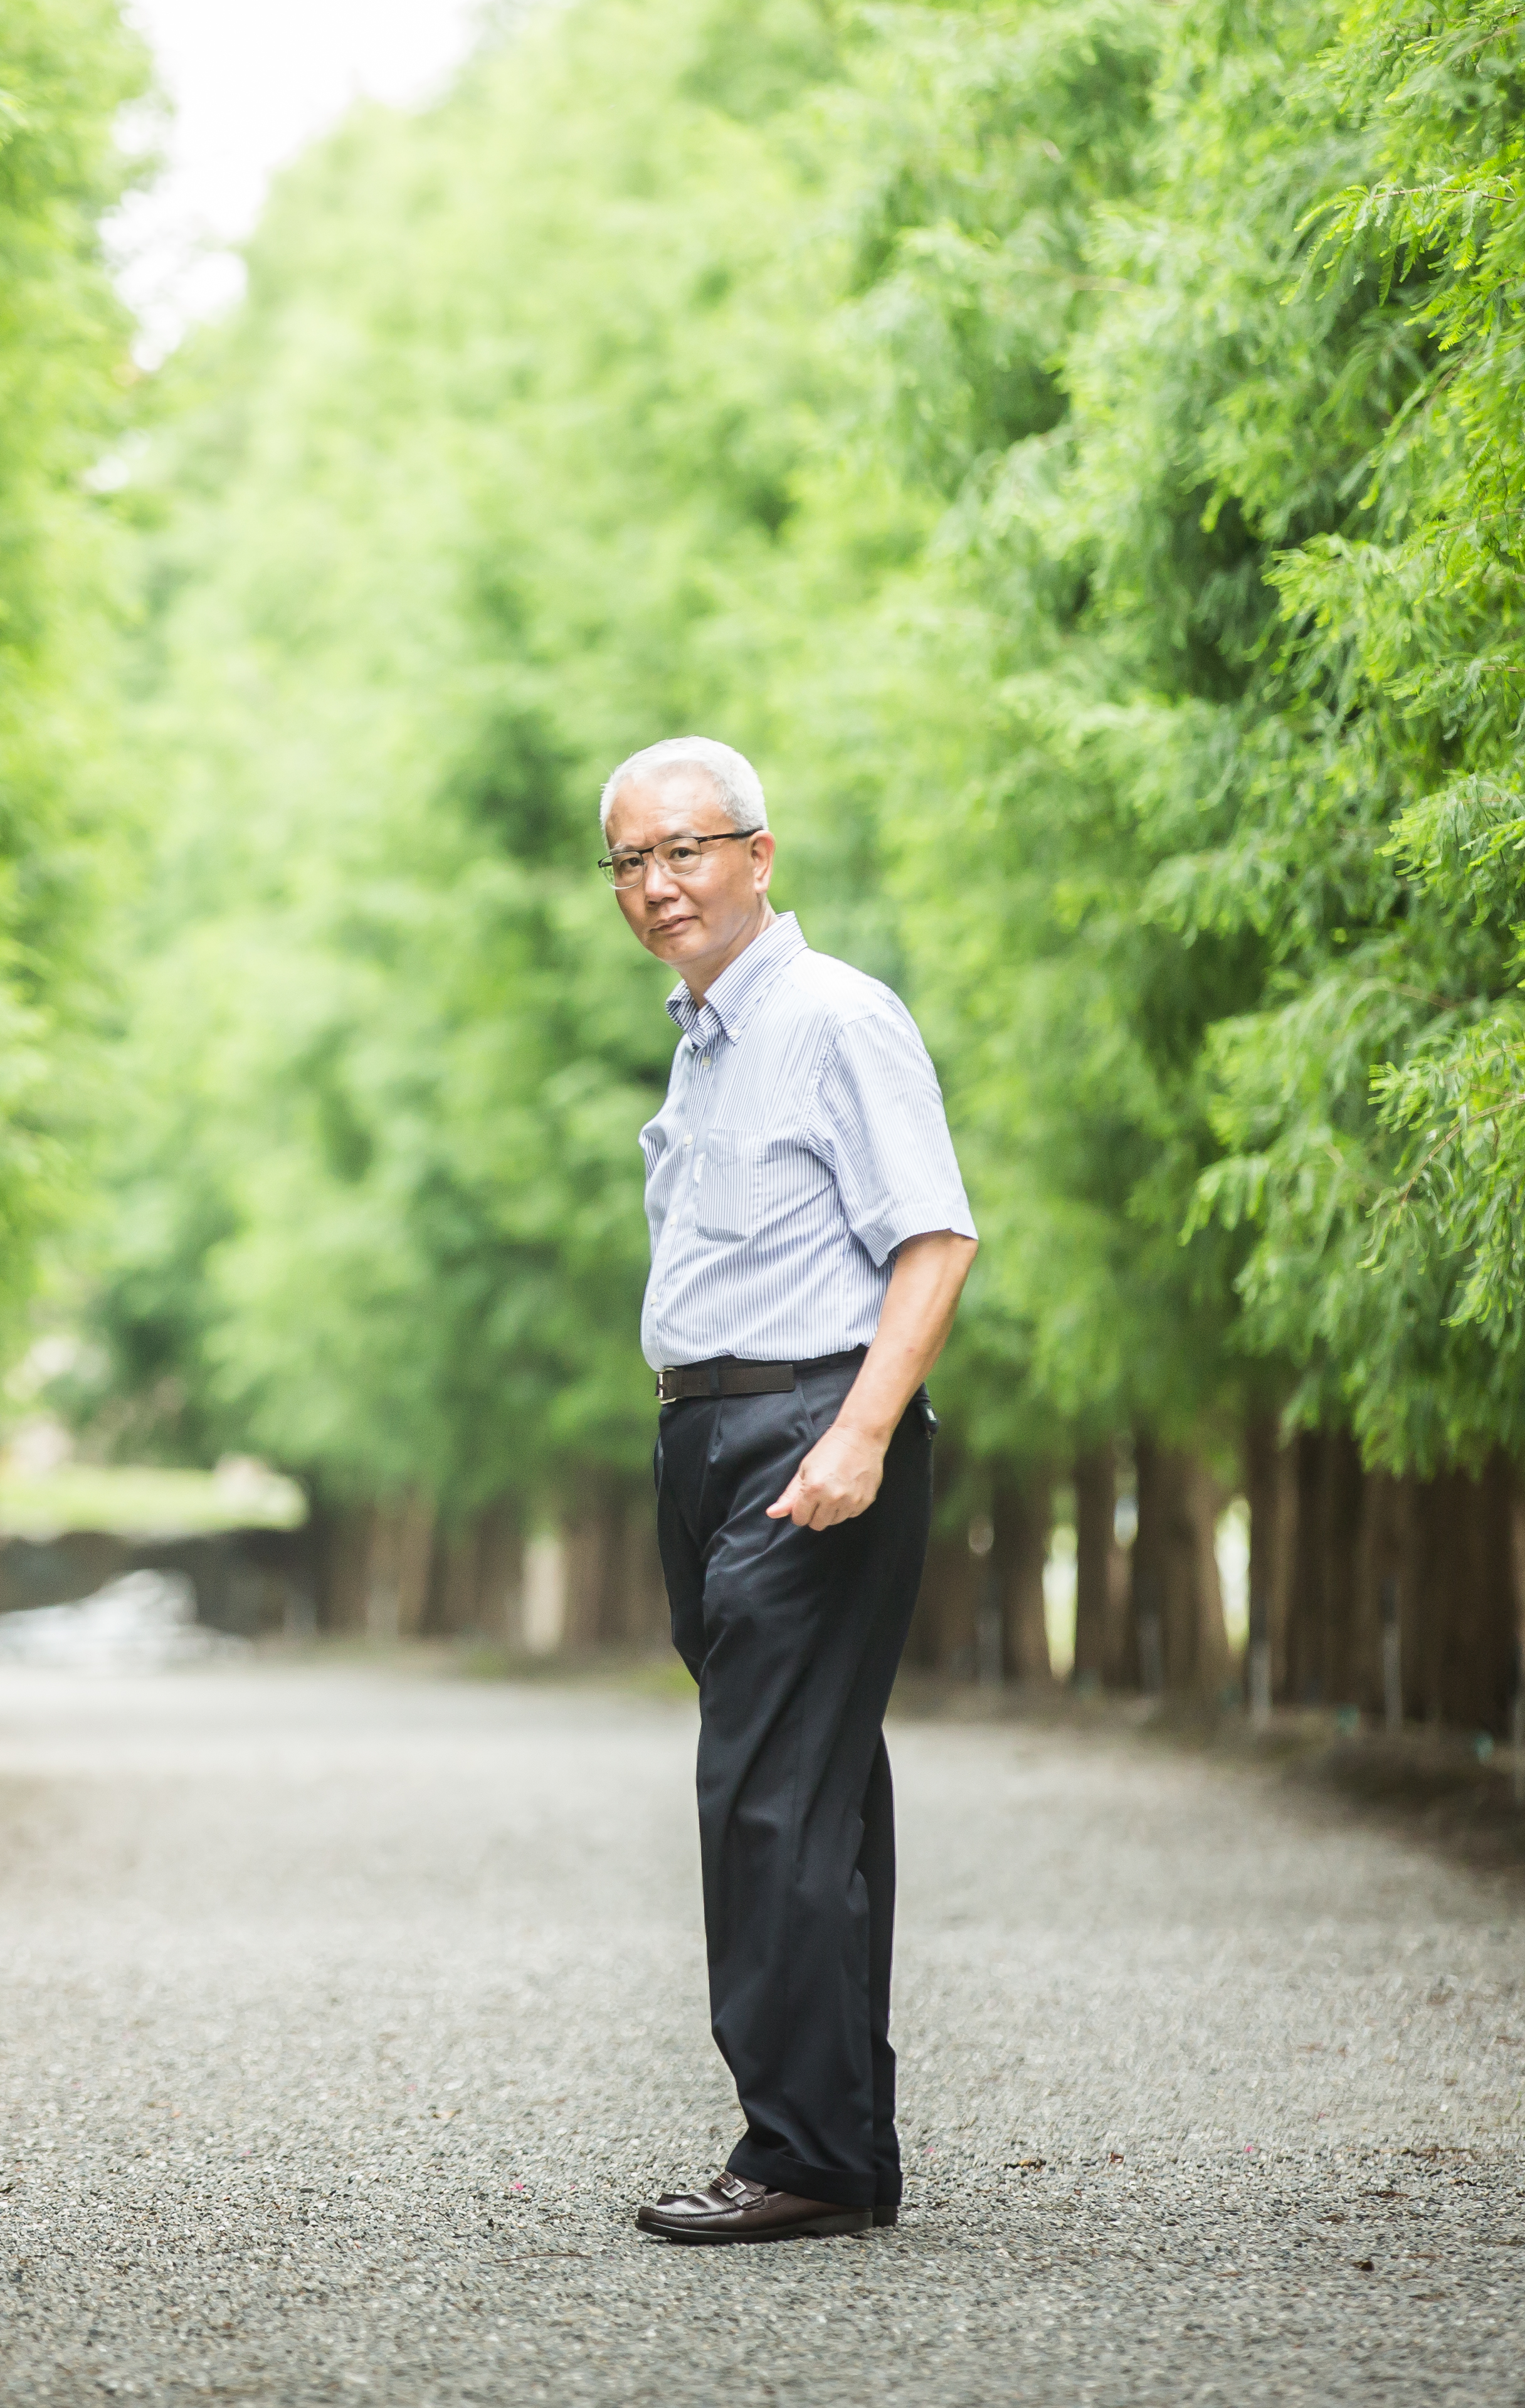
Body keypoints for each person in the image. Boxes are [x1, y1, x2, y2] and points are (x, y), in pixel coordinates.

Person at [599, 736, 978, 2246]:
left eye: (687, 850)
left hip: (814, 1438)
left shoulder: (832, 1017)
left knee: (766, 1802)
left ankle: (799, 2151)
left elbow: (933, 1242)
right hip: (710, 1442)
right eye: (631, 860)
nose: (657, 884)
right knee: (804, 1799)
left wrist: (862, 1436)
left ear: (761, 855)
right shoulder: (703, 1038)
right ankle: (842, 2150)